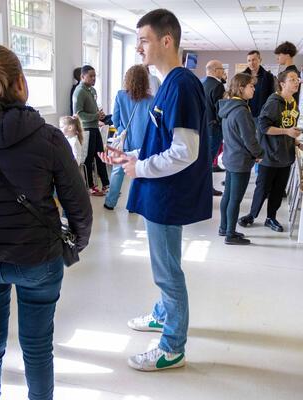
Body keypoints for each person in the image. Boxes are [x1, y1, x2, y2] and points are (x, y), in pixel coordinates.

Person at [0, 44, 92, 400]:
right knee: (38, 349)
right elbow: (78, 205)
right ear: (20, 83)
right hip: (38, 257)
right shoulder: (48, 137)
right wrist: (74, 244)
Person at [100, 9, 212, 371]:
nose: (138, 50)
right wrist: (128, 156)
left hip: (168, 195)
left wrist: (140, 167)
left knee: (167, 272)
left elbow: (185, 152)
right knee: (169, 264)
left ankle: (172, 346)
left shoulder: (180, 85)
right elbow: (160, 142)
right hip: (160, 192)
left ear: (166, 40)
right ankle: (164, 314)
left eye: (143, 41)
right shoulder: (168, 85)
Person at [238, 70, 303, 232]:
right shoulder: (274, 102)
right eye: (292, 79)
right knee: (263, 188)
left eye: (297, 79)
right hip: (269, 154)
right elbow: (263, 127)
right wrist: (287, 132)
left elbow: (287, 127)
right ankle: (252, 215)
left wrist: (294, 141)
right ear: (282, 84)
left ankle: (271, 218)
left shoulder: (293, 103)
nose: (297, 82)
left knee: (278, 190)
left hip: (285, 155)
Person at [218, 73, 263, 245]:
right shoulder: (241, 111)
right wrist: (259, 154)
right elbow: (249, 139)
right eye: (251, 86)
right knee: (235, 199)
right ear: (241, 88)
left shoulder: (228, 107)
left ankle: (224, 227)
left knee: (228, 196)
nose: (254, 89)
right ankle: (230, 234)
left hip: (231, 158)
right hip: (240, 161)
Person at [104, 65, 154, 210]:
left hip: (123, 141)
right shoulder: (151, 100)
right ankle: (133, 205)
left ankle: (110, 202)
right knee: (137, 172)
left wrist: (121, 130)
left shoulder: (120, 95)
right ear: (145, 80)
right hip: (142, 141)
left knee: (117, 171)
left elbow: (115, 119)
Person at [73, 65, 110, 196]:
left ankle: (106, 185)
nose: (94, 78)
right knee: (88, 159)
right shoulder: (79, 92)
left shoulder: (92, 90)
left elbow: (92, 109)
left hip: (95, 128)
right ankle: (91, 187)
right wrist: (95, 116)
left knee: (101, 156)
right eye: (91, 76)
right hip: (86, 130)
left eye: (95, 76)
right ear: (82, 77)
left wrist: (99, 115)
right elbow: (78, 114)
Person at [202, 59, 226, 195]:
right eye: (222, 69)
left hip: (202, 126)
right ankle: (207, 188)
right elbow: (220, 110)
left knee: (203, 159)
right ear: (215, 70)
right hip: (213, 128)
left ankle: (202, 187)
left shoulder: (200, 82)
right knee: (209, 160)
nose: (223, 72)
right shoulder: (218, 86)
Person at [243, 51, 275, 122]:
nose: (251, 63)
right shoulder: (242, 76)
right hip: (244, 113)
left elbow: (271, 96)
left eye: (254, 60)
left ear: (260, 60)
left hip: (261, 115)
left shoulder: (268, 77)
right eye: (249, 60)